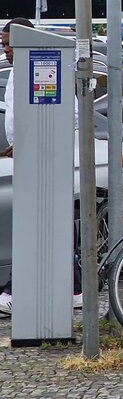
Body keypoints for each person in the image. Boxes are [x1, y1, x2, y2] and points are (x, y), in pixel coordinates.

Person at [0, 17, 34, 315]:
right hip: (23, 154)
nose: (6, 50)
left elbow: (69, 115)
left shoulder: (41, 68)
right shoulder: (16, 71)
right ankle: (74, 286)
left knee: (29, 225)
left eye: (10, 44)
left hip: (39, 157)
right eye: (3, 45)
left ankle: (15, 290)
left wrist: (29, 141)